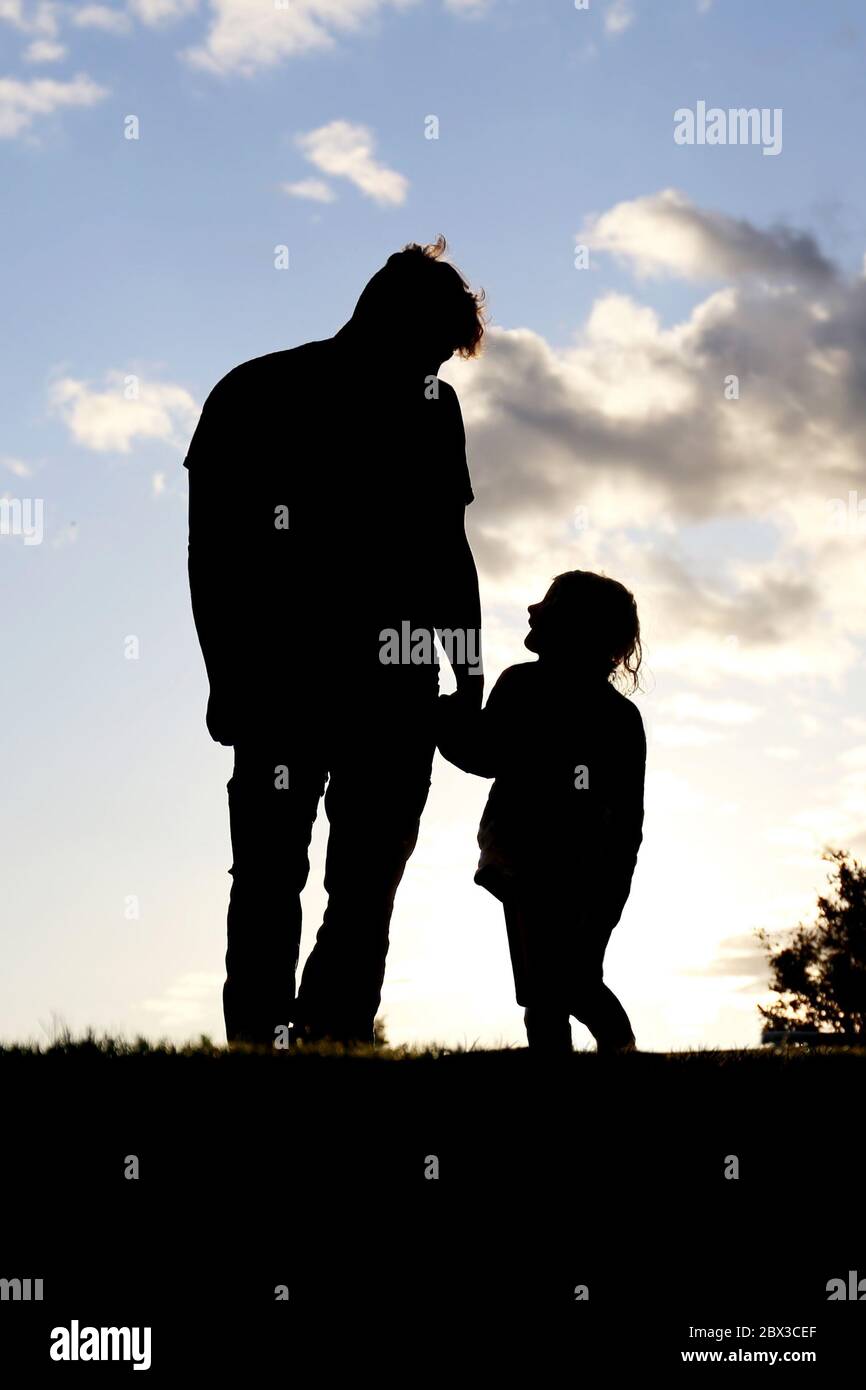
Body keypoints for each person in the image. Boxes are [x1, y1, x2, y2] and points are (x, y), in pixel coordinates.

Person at [184, 237, 486, 1046]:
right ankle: (270, 1041)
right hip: (293, 675)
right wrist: (226, 674)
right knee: (289, 876)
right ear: (392, 320)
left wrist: (467, 670)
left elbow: (445, 546)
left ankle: (321, 1040)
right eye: (431, 348)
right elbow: (212, 552)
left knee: (346, 878)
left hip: (374, 678)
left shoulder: (268, 390)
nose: (436, 370)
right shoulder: (254, 392)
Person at [438, 570, 646, 1054]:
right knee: (563, 983)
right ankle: (599, 1055)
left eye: (548, 606)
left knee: (555, 986)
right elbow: (629, 822)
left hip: (527, 864)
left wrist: (444, 720)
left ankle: (611, 1052)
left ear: (573, 628)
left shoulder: (524, 686)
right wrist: (614, 891)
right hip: (590, 874)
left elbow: (484, 755)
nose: (533, 612)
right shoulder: (620, 717)